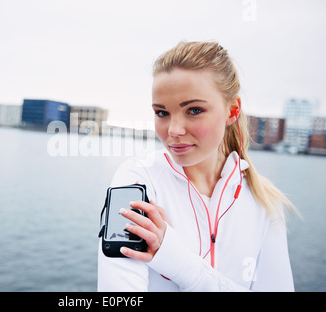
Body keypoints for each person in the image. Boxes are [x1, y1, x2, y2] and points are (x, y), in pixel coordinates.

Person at [97, 41, 298, 292]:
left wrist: (178, 262)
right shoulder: (138, 180)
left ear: (232, 110)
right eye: (162, 112)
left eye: (193, 110)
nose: (173, 130)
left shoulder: (265, 202)